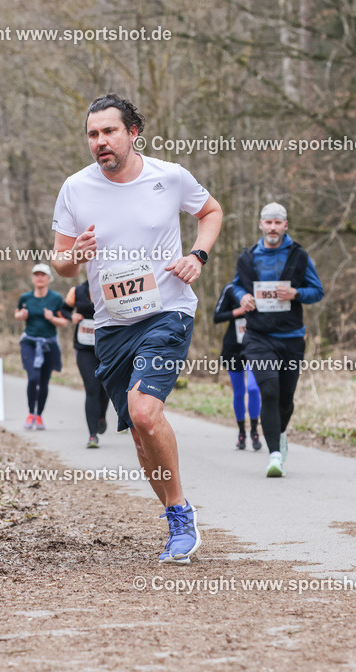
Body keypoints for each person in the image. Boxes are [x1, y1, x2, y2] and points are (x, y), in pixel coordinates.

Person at [51, 93, 223, 564]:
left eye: (109, 131)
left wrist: (197, 256)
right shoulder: (76, 188)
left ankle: (182, 519)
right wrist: (76, 256)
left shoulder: (169, 177)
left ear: (133, 133)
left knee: (145, 412)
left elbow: (211, 212)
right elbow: (61, 264)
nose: (100, 142)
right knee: (138, 433)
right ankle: (175, 512)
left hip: (167, 311)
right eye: (92, 134)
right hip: (111, 325)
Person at [231, 202, 325, 477]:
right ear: (261, 225)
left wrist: (295, 294)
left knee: (285, 397)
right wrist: (242, 296)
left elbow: (317, 291)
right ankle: (274, 456)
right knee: (268, 391)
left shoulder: (299, 256)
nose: (272, 227)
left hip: (291, 338)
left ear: (285, 226)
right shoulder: (247, 257)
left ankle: (280, 433)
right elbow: (237, 284)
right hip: (258, 337)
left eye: (277, 223)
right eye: (268, 222)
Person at [15, 264, 68, 429]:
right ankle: (31, 413)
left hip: (49, 344)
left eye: (42, 275)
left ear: (48, 278)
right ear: (32, 278)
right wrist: (21, 315)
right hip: (29, 342)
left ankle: (39, 415)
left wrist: (52, 318)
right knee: (33, 378)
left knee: (44, 381)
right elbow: (17, 313)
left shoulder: (56, 299)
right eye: (36, 274)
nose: (39, 277)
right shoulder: (25, 298)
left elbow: (64, 321)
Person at [213, 283, 261, 451]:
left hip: (256, 345)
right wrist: (238, 312)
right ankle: (242, 432)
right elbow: (216, 316)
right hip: (233, 347)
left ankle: (255, 430)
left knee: (254, 388)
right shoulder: (230, 289)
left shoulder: (260, 285)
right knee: (239, 392)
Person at [63, 280, 110, 448]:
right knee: (92, 389)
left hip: (107, 347)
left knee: (105, 389)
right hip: (84, 347)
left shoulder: (112, 284)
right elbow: (63, 309)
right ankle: (92, 436)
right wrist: (71, 316)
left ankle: (101, 416)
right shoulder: (77, 290)